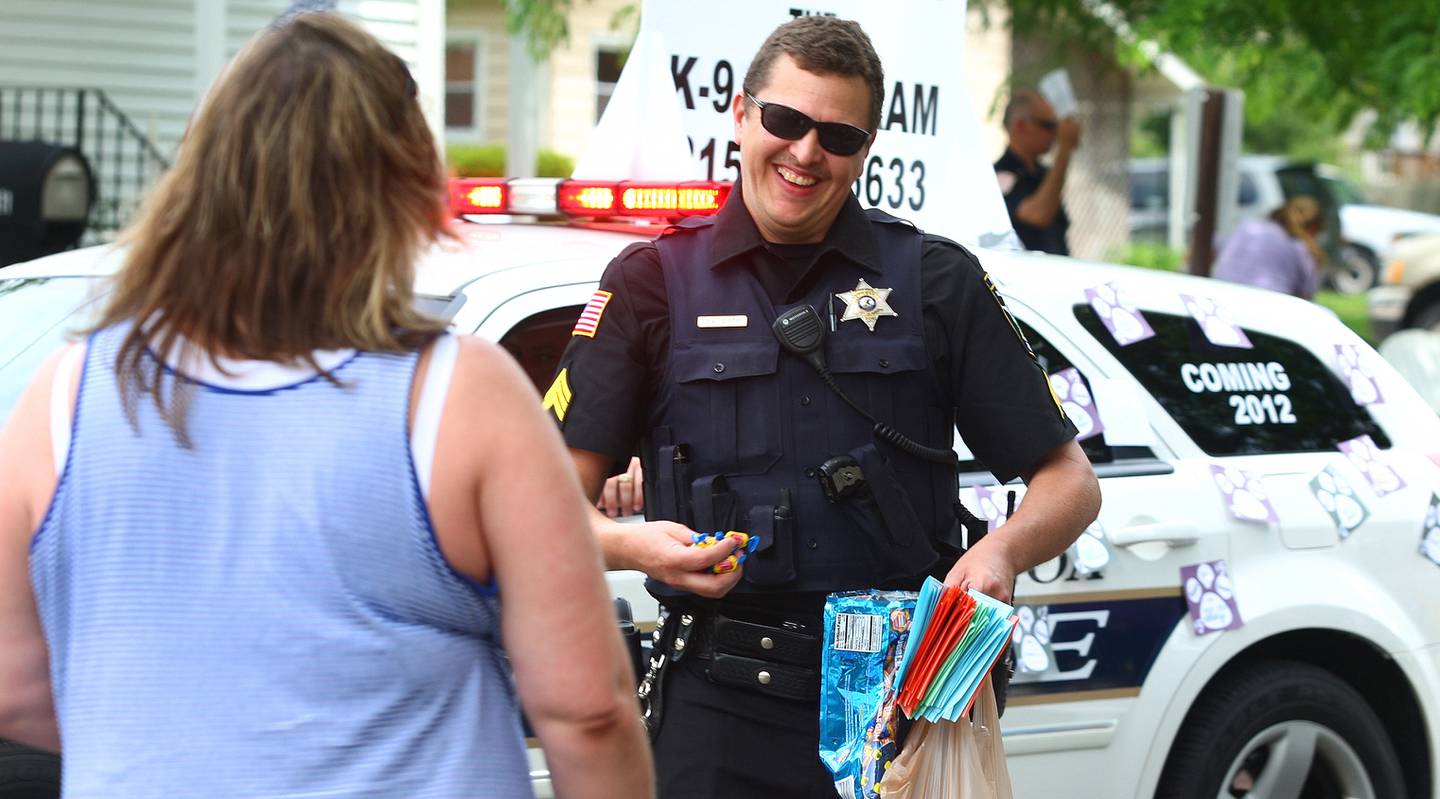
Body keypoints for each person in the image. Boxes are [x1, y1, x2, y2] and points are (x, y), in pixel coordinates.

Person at [0, 13, 651, 798]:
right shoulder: (458, 395)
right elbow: (587, 710)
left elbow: (16, 687)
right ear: (405, 182)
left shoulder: (65, 395)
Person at [545, 15, 1100, 797]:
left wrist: (1001, 553)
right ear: (741, 116)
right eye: (785, 121)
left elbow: (1070, 481)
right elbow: (544, 508)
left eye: (838, 136)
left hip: (902, 714)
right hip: (717, 709)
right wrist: (639, 550)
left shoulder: (936, 279)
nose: (806, 152)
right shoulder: (649, 282)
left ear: (865, 148)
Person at [994, 88, 1081, 255]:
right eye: (1048, 126)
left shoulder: (1043, 175)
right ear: (1020, 126)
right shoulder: (1000, 175)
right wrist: (1064, 150)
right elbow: (1038, 215)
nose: (1055, 134)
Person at [1212, 195, 1326, 299]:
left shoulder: (1248, 226)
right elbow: (1306, 297)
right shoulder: (1301, 248)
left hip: (1222, 299)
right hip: (1267, 309)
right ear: (1314, 228)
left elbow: (1214, 246)